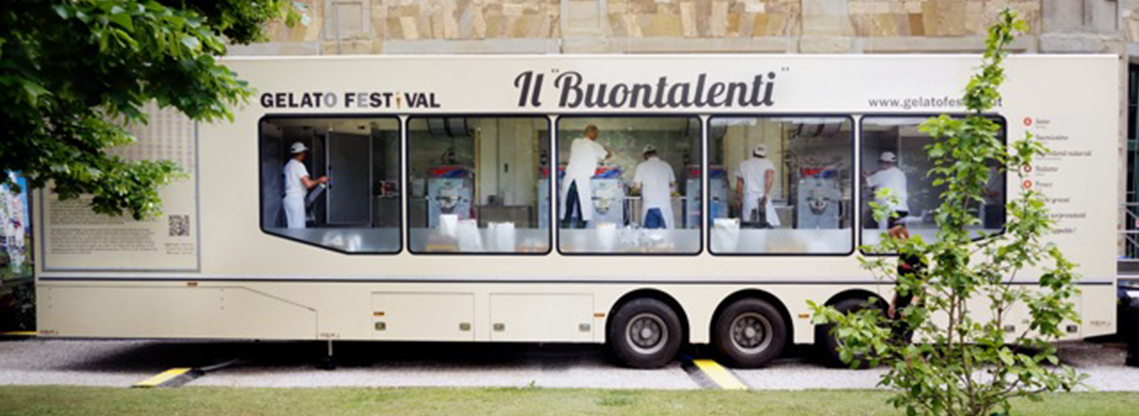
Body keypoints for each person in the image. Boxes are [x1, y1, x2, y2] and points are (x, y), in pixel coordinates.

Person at [561, 125, 611, 229]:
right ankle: (580, 232)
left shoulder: (575, 142)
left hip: (570, 179)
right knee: (582, 209)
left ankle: (563, 232)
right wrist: (606, 149)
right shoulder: (595, 146)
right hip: (582, 179)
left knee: (567, 208)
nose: (597, 136)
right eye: (596, 133)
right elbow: (607, 156)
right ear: (592, 133)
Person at [886, 225, 924, 345]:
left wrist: (911, 307)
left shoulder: (916, 257)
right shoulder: (901, 258)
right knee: (895, 336)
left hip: (912, 301)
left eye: (897, 241)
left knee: (905, 337)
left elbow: (920, 284)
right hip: (901, 300)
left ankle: (910, 355)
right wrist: (893, 303)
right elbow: (900, 282)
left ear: (905, 238)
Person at [282, 142, 328, 229]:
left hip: (288, 198)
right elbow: (308, 184)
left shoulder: (287, 166)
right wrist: (320, 180)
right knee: (298, 227)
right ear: (302, 153)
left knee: (291, 225)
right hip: (296, 198)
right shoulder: (299, 165)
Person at [631, 145, 677, 229]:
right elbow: (673, 185)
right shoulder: (666, 166)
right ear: (656, 153)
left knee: (650, 233)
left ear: (645, 155)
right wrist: (673, 193)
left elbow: (637, 186)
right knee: (666, 233)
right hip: (664, 205)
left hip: (649, 205)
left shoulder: (641, 167)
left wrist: (634, 191)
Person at [736, 144, 780, 228]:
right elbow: (769, 179)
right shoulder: (768, 164)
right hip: (763, 198)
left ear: (753, 152)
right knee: (767, 224)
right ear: (765, 154)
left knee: (749, 225)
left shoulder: (744, 165)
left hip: (749, 197)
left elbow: (739, 185)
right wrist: (766, 194)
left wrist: (738, 199)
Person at [865, 151, 910, 229]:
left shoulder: (881, 174)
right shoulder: (900, 174)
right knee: (899, 233)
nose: (882, 165)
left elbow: (868, 182)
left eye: (882, 162)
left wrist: (865, 175)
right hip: (902, 208)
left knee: (884, 232)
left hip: (887, 209)